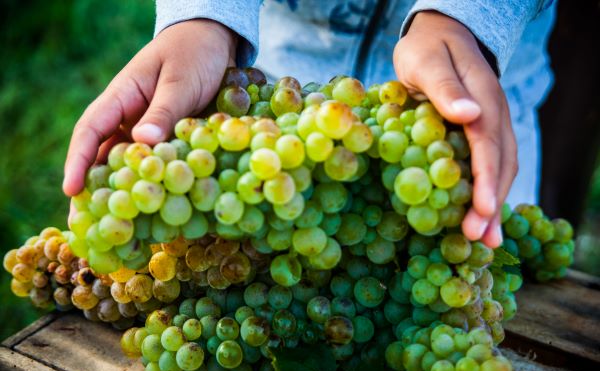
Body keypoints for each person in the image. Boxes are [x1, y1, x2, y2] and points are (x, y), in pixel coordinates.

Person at [62, 0, 557, 249]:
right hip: (276, 121)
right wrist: (204, 17)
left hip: (462, 116)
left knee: (473, 255)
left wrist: (464, 18)